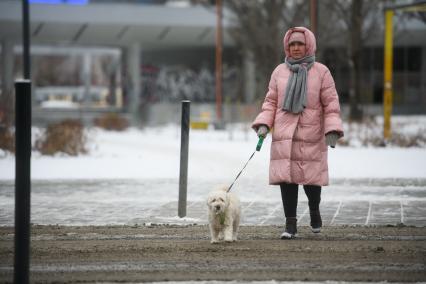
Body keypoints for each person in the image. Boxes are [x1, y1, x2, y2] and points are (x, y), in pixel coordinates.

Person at [252, 26, 344, 239]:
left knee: (311, 181)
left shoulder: (321, 72)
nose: (295, 48)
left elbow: (331, 104)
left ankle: (314, 211)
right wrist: (264, 124)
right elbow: (271, 102)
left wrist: (332, 129)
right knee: (287, 180)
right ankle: (290, 224)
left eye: (299, 44)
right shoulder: (279, 71)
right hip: (285, 135)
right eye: (292, 44)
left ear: (308, 45)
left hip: (312, 134)